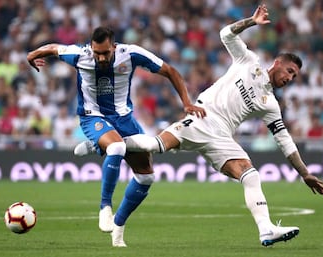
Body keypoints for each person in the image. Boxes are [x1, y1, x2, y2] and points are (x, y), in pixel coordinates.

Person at [75, 5, 323, 247]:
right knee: (154, 145)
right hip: (202, 117)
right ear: (277, 63)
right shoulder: (248, 61)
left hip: (223, 137)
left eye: (294, 77)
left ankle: (266, 229)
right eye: (290, 71)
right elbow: (225, 34)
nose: (290, 79)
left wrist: (304, 173)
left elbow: (284, 141)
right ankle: (103, 143)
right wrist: (251, 22)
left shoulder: (271, 104)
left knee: (251, 176)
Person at [27, 26, 205, 247]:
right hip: (93, 117)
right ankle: (105, 207)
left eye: (105, 53)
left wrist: (187, 102)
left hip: (124, 119)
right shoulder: (80, 56)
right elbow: (54, 48)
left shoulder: (130, 54)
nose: (100, 58)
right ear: (91, 47)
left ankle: (118, 225)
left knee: (146, 177)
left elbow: (170, 71)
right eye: (96, 52)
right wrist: (32, 55)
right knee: (118, 148)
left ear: (114, 46)